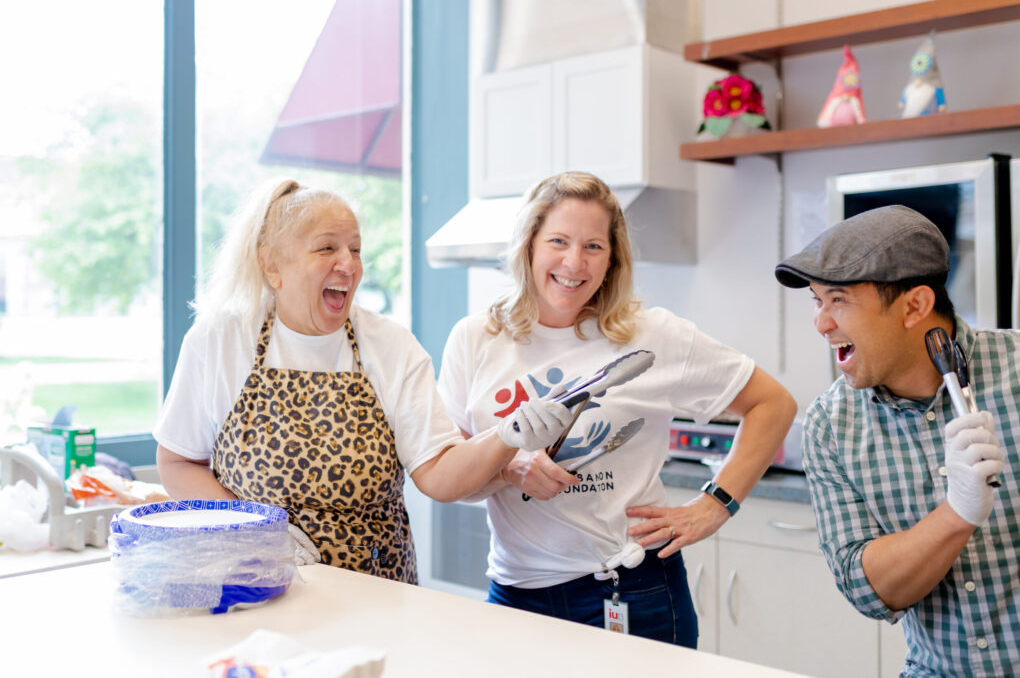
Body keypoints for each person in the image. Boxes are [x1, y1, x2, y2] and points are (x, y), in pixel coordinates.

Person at [437, 171, 796, 645]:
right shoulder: (477, 337)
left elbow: (773, 403)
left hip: (632, 593)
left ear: (612, 260)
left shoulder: (652, 336)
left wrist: (716, 504)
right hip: (515, 594)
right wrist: (511, 469)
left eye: (593, 247)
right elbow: (448, 475)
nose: (573, 261)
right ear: (529, 245)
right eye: (559, 241)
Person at [154, 178, 570, 583]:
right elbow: (177, 462)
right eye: (327, 248)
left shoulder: (389, 346)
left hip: (376, 595)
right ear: (272, 264)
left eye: (355, 249)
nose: (349, 264)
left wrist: (506, 434)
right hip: (255, 585)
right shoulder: (221, 339)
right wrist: (256, 533)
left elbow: (440, 474)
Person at [774, 205, 1015, 676]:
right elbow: (869, 590)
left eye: (838, 300)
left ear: (914, 306)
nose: (821, 323)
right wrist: (958, 512)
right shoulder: (831, 424)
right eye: (817, 301)